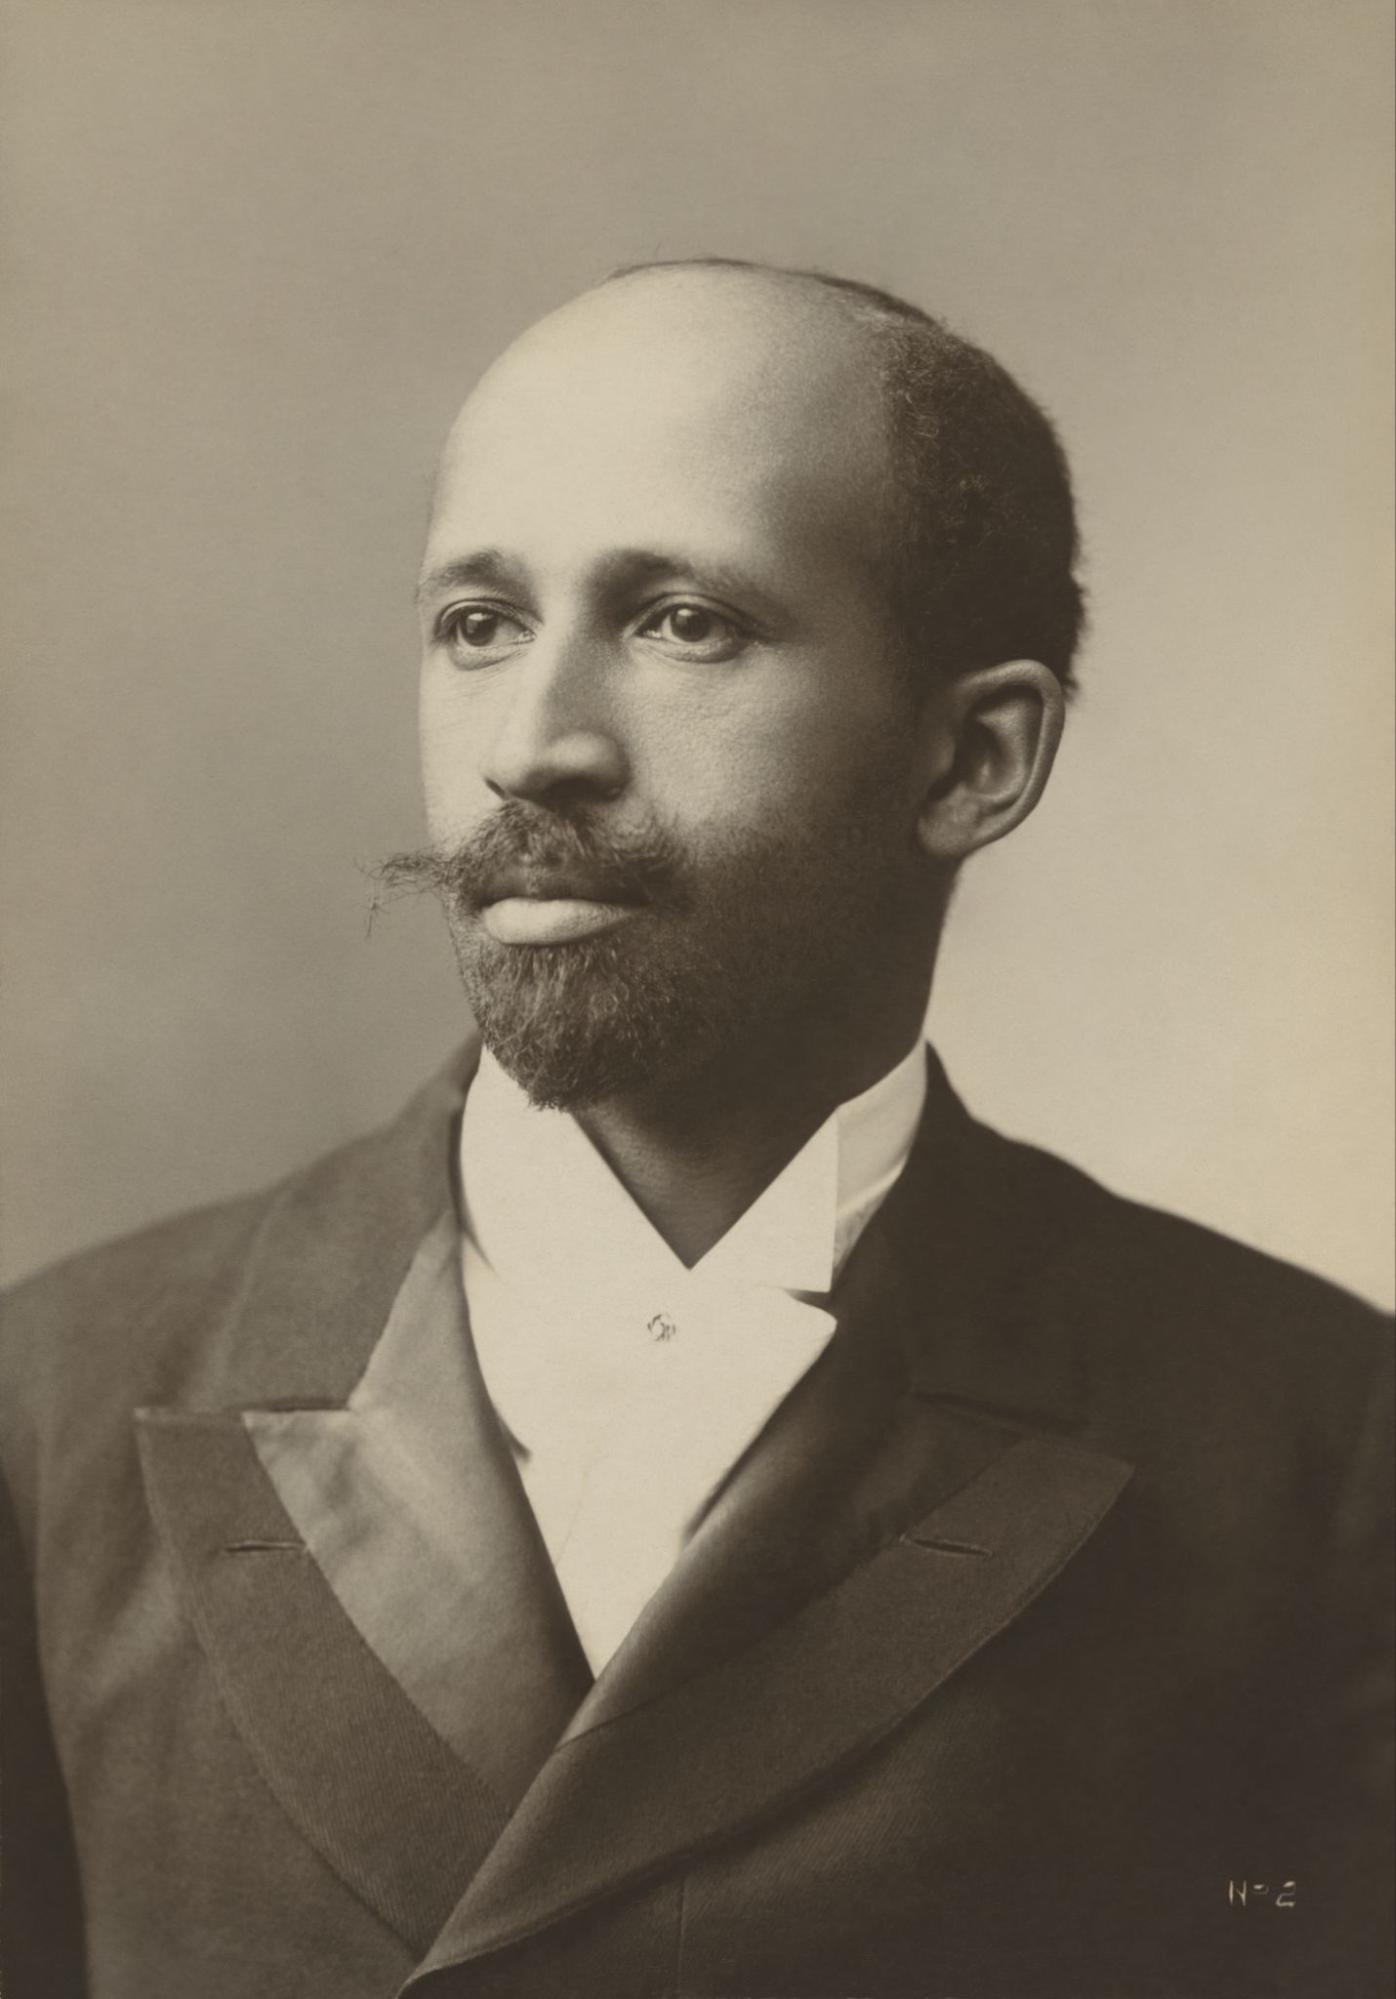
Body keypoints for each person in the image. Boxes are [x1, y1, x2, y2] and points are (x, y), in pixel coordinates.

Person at [1, 258, 1390, 1999]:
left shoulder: (1315, 1447)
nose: (530, 746)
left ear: (974, 759)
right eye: (478, 624)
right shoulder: (53, 1404)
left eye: (682, 623)